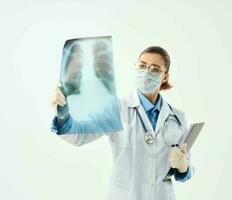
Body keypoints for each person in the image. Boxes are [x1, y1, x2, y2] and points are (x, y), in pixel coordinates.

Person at [50, 46, 194, 200]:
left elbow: (184, 173)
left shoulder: (177, 118)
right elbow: (80, 136)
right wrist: (63, 115)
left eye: (155, 69)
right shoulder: (117, 109)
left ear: (164, 77)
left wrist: (183, 166)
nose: (146, 72)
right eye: (142, 66)